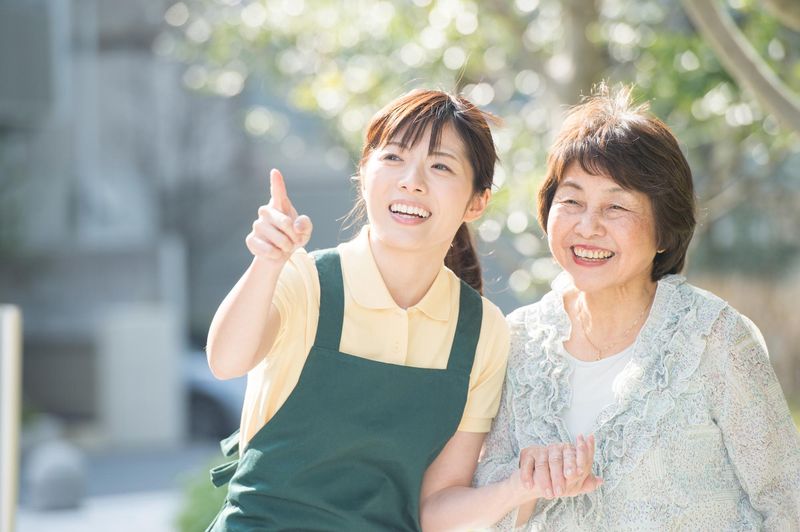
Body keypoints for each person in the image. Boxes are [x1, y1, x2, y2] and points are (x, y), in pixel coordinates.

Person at [473, 84, 800, 530]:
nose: (588, 226)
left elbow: (787, 499)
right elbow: (487, 505)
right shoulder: (518, 339)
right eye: (571, 201)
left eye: (616, 206)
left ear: (664, 230)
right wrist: (528, 483)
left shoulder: (714, 335)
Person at [203, 88, 520, 530]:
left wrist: (519, 489)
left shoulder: (482, 330)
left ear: (477, 202)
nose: (411, 180)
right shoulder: (307, 281)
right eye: (393, 157)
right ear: (363, 173)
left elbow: (437, 508)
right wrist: (268, 263)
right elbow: (225, 361)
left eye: (441, 166)